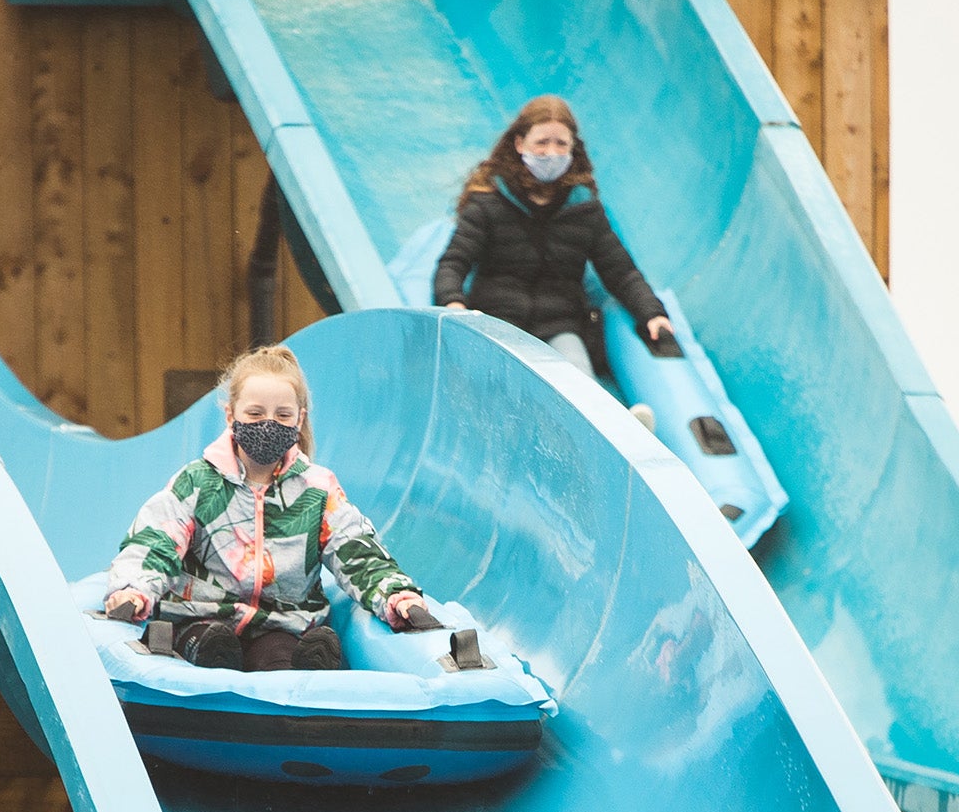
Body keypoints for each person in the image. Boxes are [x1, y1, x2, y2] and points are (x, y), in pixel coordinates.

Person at [102, 345, 428, 671]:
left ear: (299, 420)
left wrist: (396, 596)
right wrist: (134, 590)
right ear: (231, 415)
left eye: (282, 415)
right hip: (201, 617)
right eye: (255, 414)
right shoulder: (198, 482)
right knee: (211, 643)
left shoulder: (316, 489)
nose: (268, 424)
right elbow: (157, 540)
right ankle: (214, 664)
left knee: (280, 655)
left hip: (280, 623)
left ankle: (311, 667)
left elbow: (357, 552)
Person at [434, 96, 672, 425]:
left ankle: (616, 431)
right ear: (520, 143)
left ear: (573, 149)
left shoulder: (583, 209)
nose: (551, 153)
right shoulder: (489, 202)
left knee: (578, 379)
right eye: (542, 142)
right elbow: (453, 262)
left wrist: (653, 313)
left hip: (560, 325)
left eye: (561, 144)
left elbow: (621, 271)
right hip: (501, 321)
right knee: (506, 386)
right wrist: (453, 301)